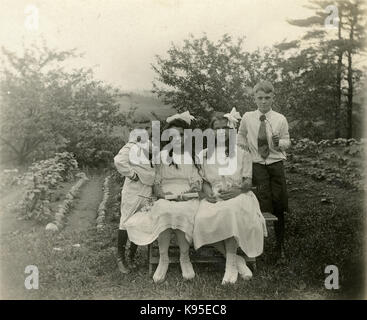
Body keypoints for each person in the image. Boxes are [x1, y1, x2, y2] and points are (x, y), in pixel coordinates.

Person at [125, 111, 202, 283]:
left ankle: (184, 258)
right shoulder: (161, 156)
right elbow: (156, 182)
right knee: (164, 210)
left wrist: (188, 194)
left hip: (186, 196)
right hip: (166, 194)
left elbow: (197, 182)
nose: (178, 139)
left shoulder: (193, 157)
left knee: (183, 211)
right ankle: (163, 258)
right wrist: (163, 195)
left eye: (182, 135)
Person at [193, 109, 267, 285]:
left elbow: (248, 181)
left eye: (224, 128)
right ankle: (236, 260)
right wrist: (208, 193)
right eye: (216, 128)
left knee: (230, 211)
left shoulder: (241, 152)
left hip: (239, 195)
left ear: (230, 130)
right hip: (215, 196)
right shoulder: (204, 155)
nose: (220, 132)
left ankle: (229, 267)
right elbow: (204, 181)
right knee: (200, 220)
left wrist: (238, 190)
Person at [237, 80, 290, 260]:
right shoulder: (247, 117)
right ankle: (255, 246)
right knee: (260, 202)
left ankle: (279, 246)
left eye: (267, 97)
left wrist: (279, 143)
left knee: (279, 203)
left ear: (273, 98)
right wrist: (243, 151)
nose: (264, 101)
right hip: (257, 164)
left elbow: (287, 141)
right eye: (260, 98)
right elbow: (241, 136)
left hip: (275, 163)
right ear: (254, 98)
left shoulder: (280, 118)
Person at [113, 118, 156, 274]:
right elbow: (118, 161)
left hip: (147, 190)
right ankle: (120, 257)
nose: (146, 131)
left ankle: (131, 256)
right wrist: (132, 174)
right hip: (133, 190)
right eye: (143, 128)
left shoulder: (149, 146)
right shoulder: (131, 146)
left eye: (148, 128)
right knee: (126, 221)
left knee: (139, 221)